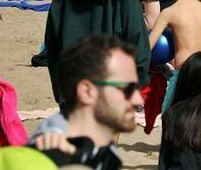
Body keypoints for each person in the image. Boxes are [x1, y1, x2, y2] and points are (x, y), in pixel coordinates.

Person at [32, 34, 140, 169]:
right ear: (87, 91)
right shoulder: (52, 155)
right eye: (127, 88)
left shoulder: (102, 151)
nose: (138, 99)